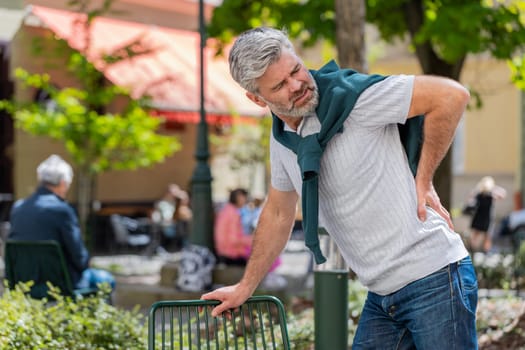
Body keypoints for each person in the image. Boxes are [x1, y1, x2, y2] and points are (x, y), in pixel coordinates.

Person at [202, 27, 477, 348]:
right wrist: (245, 287)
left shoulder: (354, 98)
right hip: (383, 294)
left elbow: (452, 96)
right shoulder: (283, 141)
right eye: (280, 85)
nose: (297, 85)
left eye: (296, 70)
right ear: (256, 98)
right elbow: (278, 213)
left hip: (435, 278)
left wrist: (424, 176)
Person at [8, 154, 115, 291]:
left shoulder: (18, 208)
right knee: (106, 280)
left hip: (23, 282)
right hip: (60, 283)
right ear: (63, 184)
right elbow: (79, 258)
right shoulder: (63, 210)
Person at [467, 176, 507, 252]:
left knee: (484, 236)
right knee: (482, 236)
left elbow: (502, 194)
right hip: (483, 217)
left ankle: (478, 250)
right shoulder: (482, 194)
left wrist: (493, 188)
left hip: (483, 217)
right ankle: (476, 250)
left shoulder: (487, 194)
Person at [214, 188, 253, 265]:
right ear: (239, 197)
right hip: (232, 253)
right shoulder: (233, 214)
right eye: (244, 197)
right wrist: (251, 240)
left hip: (224, 251)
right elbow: (234, 239)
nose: (246, 200)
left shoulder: (227, 210)